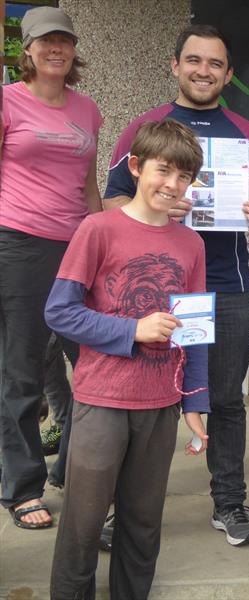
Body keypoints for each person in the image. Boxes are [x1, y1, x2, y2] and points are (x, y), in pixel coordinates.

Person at [103, 24, 249, 546]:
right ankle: (124, 512)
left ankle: (228, 503)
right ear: (174, 65)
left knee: (225, 400)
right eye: (194, 61)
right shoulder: (144, 126)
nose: (204, 71)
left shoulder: (247, 134)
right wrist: (154, 207)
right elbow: (112, 200)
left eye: (216, 64)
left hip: (226, 285)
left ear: (229, 74)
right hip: (147, 288)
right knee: (140, 400)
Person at [46, 118, 210, 600]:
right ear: (136, 168)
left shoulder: (191, 244)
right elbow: (59, 311)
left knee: (142, 521)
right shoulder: (97, 229)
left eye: (184, 177)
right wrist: (131, 330)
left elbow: (195, 334)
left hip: (160, 404)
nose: (173, 185)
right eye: (164, 171)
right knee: (83, 521)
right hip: (103, 400)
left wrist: (195, 401)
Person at [0, 5, 101, 529]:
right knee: (21, 372)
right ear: (28, 50)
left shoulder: (86, 111)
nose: (56, 48)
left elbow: (88, 185)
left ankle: (73, 470)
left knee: (90, 364)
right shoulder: (7, 101)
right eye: (45, 41)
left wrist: (106, 239)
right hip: (18, 244)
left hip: (77, 245)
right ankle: (22, 487)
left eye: (64, 40)